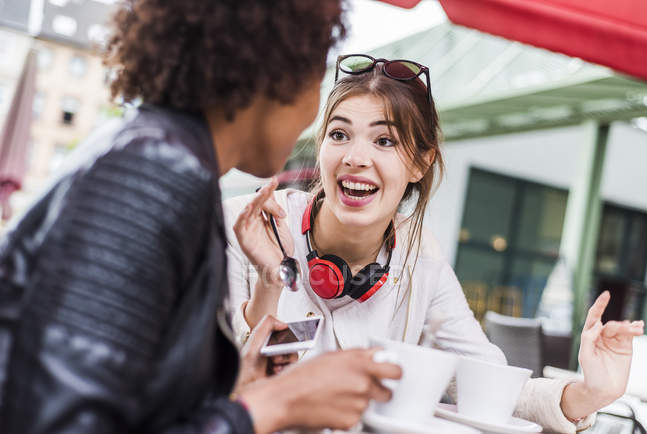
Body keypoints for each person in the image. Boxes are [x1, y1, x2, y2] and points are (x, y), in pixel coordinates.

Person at [0, 4, 403, 433]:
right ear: (273, 69)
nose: (312, 112)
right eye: (314, 76)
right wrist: (269, 407)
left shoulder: (163, 159)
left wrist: (229, 391)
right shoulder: (153, 174)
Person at [224, 54, 646, 433]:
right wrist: (271, 280)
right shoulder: (245, 224)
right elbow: (216, 385)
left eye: (384, 140)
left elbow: (489, 384)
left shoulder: (420, 256)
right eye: (339, 134)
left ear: (420, 163)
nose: (355, 156)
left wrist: (591, 393)